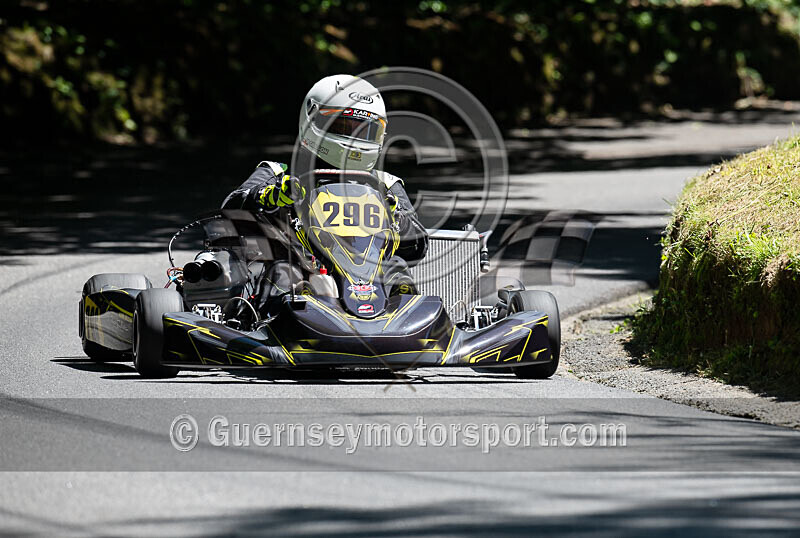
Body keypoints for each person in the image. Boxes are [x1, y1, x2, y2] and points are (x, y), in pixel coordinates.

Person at [221, 75, 428, 312]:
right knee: (284, 271)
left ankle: (408, 331)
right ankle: (281, 325)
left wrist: (397, 219)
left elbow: (417, 247)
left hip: (371, 282)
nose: (354, 138)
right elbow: (229, 209)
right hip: (303, 272)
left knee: (396, 268)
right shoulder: (280, 174)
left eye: (365, 131)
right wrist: (269, 196)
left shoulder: (385, 186)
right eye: (343, 127)